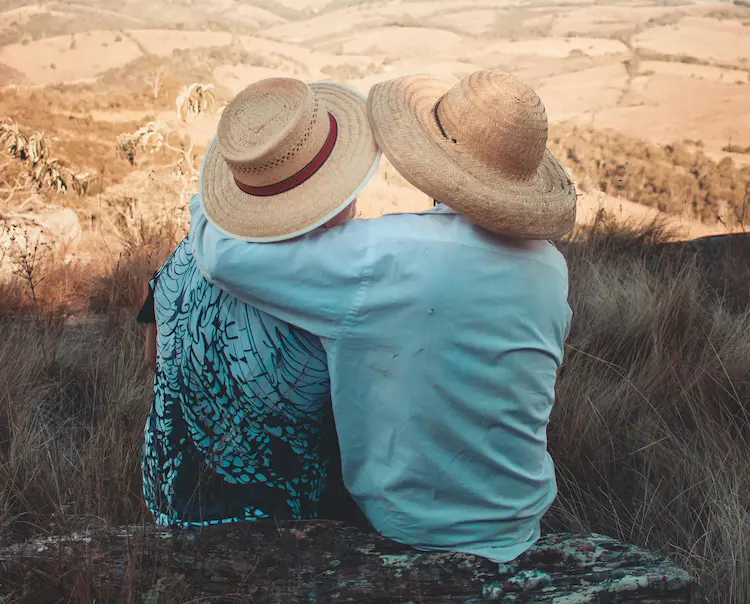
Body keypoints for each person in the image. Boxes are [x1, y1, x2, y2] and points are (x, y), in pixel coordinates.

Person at [189, 70, 577, 562]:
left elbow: (223, 256)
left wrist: (215, 189)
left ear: (434, 157)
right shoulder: (551, 267)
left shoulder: (385, 255)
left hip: (411, 525)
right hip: (521, 519)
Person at [135, 76, 380, 526]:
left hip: (170, 499)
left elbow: (152, 356)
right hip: (288, 522)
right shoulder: (332, 282)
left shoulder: (184, 254)